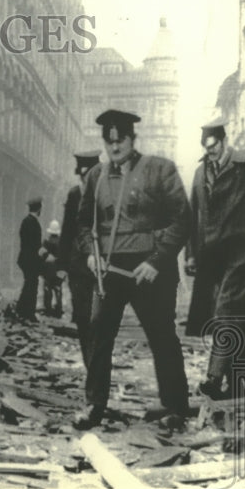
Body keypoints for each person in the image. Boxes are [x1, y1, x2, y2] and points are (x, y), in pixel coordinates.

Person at [74, 109, 191, 431]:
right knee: (99, 333)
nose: (114, 147)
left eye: (120, 140)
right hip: (110, 269)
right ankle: (94, 404)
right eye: (108, 141)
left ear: (132, 138)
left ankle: (175, 406)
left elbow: (182, 220)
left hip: (150, 269)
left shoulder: (159, 170)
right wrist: (89, 254)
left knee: (162, 336)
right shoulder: (96, 177)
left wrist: (157, 261)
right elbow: (83, 223)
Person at [184, 122, 245, 400]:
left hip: (244, 255)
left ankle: (214, 376)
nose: (210, 153)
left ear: (223, 141)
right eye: (206, 149)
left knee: (225, 311)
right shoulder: (200, 174)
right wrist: (191, 254)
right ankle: (237, 384)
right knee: (234, 318)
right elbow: (192, 216)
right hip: (214, 259)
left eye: (214, 147)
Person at [59, 150, 102, 368]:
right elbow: (67, 231)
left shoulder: (106, 194)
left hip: (101, 268)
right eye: (83, 176)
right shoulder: (75, 195)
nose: (86, 180)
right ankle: (90, 364)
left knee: (99, 320)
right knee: (84, 320)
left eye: (91, 176)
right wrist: (61, 266)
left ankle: (97, 362)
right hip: (77, 267)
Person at [15, 196, 44, 323]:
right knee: (32, 285)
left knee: (29, 284)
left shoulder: (26, 221)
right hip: (31, 259)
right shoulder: (33, 223)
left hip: (25, 258)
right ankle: (29, 313)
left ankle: (21, 309)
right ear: (39, 209)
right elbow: (34, 244)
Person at [39, 220, 64, 317]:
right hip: (58, 271)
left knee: (47, 290)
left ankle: (48, 310)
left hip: (48, 272)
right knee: (58, 290)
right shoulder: (61, 243)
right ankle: (58, 311)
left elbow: (41, 254)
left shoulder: (46, 243)